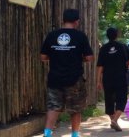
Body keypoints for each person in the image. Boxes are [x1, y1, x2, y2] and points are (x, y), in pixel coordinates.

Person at [40, 9, 94, 137]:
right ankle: (75, 134)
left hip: (55, 79)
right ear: (77, 21)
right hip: (74, 79)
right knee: (75, 109)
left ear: (63, 20)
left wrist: (56, 55)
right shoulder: (80, 36)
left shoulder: (52, 35)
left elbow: (42, 57)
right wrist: (77, 57)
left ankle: (47, 133)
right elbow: (89, 58)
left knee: (53, 107)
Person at [96, 27, 129, 132]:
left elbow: (100, 66)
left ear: (107, 36)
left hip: (107, 78)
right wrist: (128, 65)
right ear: (116, 35)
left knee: (109, 100)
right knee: (122, 99)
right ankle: (115, 120)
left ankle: (113, 120)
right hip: (120, 77)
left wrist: (98, 81)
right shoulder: (123, 46)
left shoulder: (103, 48)